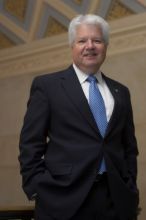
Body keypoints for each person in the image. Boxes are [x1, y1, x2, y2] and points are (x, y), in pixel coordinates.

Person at [19, 14, 139, 220]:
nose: (90, 46)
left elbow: (129, 147)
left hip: (116, 201)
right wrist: (37, 188)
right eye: (82, 40)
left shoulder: (121, 91)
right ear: (72, 46)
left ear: (106, 46)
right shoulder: (47, 86)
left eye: (97, 40)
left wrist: (130, 187)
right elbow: (30, 144)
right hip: (63, 200)